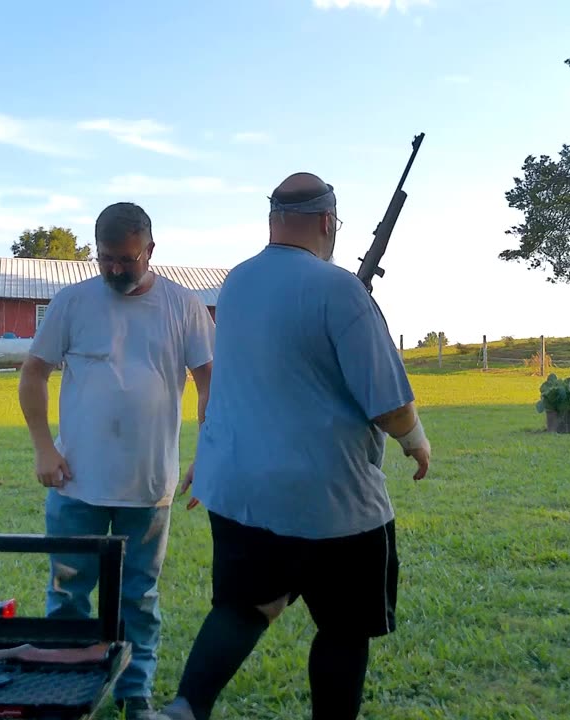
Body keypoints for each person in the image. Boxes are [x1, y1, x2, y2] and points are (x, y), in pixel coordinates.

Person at [157, 173, 431, 720]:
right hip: (331, 501)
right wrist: (415, 439)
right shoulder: (341, 290)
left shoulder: (235, 284)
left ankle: (186, 708)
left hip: (241, 491)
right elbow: (388, 403)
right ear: (329, 223)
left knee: (244, 606)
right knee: (345, 628)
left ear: (271, 220)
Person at [18, 201, 215, 720]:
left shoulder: (184, 306)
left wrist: (209, 453)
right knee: (67, 595)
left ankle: (135, 696)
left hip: (149, 486)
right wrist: (43, 446)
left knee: (140, 599)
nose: (115, 269)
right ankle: (65, 692)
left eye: (127, 259)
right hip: (76, 481)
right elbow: (33, 373)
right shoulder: (72, 303)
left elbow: (209, 383)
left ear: (150, 250)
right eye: (106, 258)